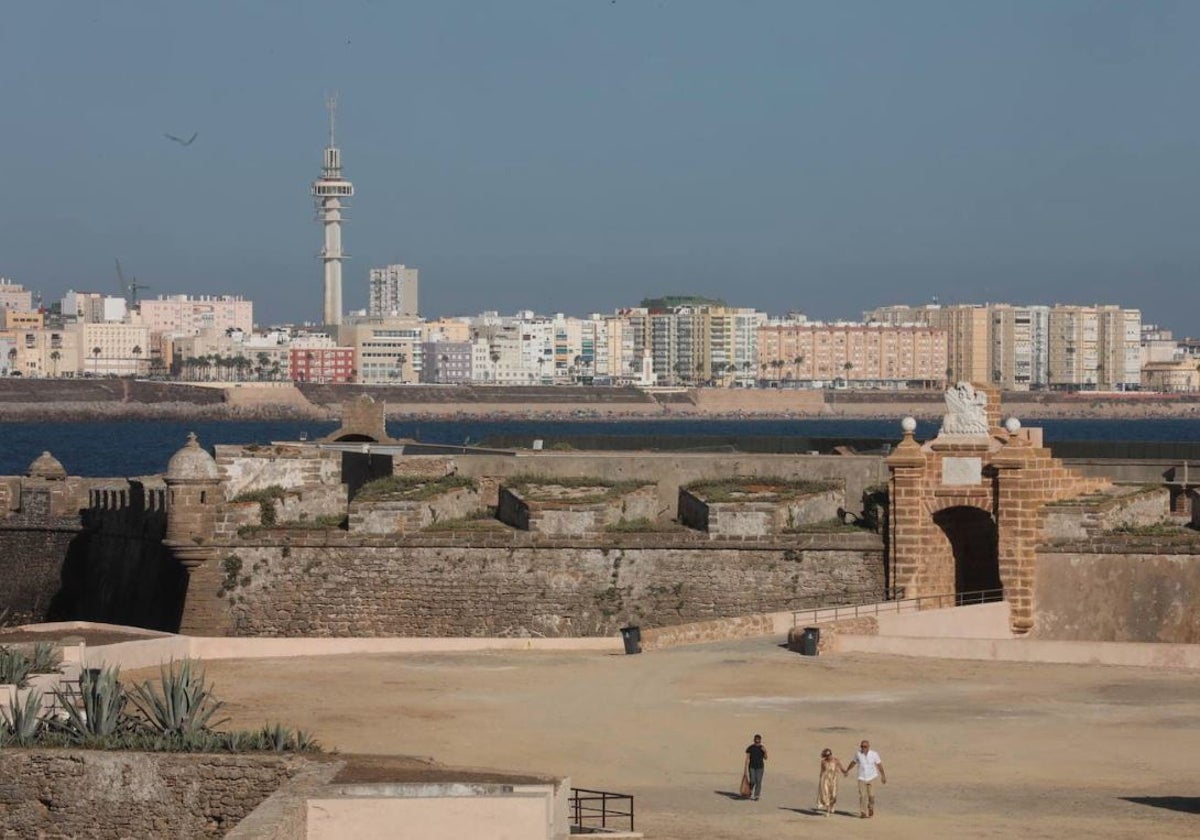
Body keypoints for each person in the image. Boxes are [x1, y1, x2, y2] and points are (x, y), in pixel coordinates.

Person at [844, 738, 886, 818]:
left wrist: (883, 775)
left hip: (872, 777)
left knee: (871, 795)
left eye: (865, 746)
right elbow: (853, 762)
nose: (863, 748)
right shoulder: (858, 754)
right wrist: (847, 770)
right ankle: (863, 812)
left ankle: (870, 807)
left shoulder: (874, 754)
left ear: (868, 747)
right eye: (862, 746)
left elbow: (879, 765)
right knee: (862, 795)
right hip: (861, 777)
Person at [816, 748, 846, 816]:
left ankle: (832, 805)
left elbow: (841, 768)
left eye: (830, 754)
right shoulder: (823, 762)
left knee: (833, 794)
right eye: (827, 755)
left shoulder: (836, 760)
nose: (829, 756)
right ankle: (828, 811)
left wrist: (845, 772)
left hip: (834, 779)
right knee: (826, 794)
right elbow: (822, 771)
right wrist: (820, 779)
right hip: (825, 779)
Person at [743, 734, 768, 800]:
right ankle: (749, 791)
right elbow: (747, 758)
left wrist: (765, 751)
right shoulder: (750, 748)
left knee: (758, 781)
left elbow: (765, 758)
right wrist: (745, 767)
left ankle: (757, 795)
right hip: (752, 766)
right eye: (756, 740)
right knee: (752, 781)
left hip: (760, 767)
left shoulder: (762, 748)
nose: (757, 741)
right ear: (754, 740)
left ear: (760, 740)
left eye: (758, 740)